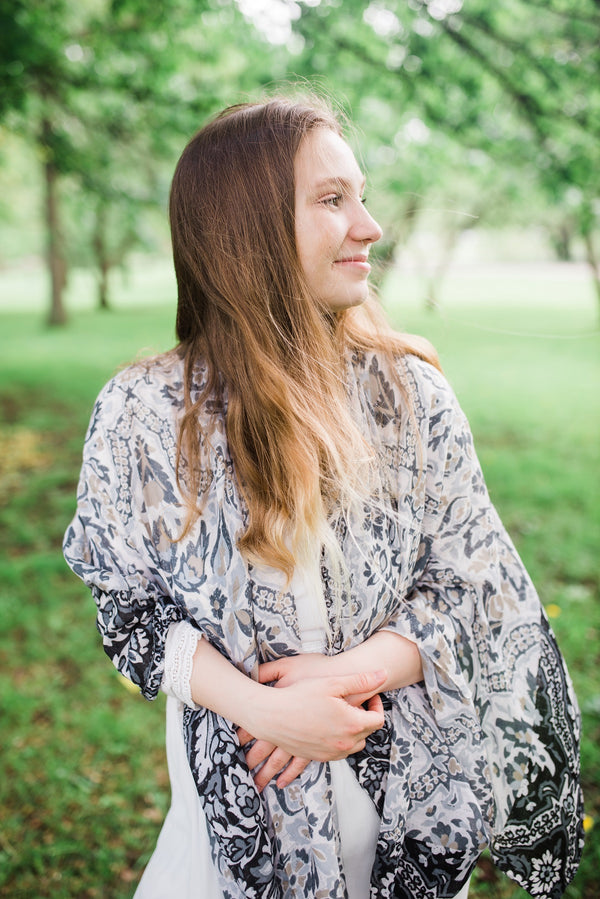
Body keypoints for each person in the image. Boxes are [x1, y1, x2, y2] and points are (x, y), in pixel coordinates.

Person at [63, 96, 584, 899]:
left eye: (361, 196)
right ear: (247, 228)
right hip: (225, 853)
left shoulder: (409, 395)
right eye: (333, 199)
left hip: (403, 839)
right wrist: (263, 709)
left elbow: (477, 591)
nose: (369, 226)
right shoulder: (144, 414)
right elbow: (128, 611)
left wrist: (341, 679)